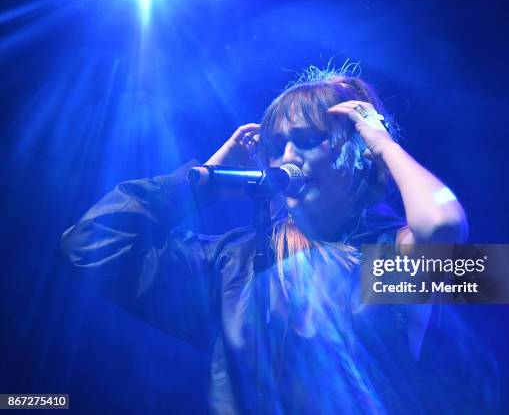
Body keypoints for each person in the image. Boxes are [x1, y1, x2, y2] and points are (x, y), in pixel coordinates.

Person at [61, 66, 468, 414]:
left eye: (307, 139)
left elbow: (441, 225)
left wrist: (382, 143)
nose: (287, 155)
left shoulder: (388, 256)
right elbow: (90, 245)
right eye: (276, 146)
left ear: (356, 154)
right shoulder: (231, 261)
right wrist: (203, 184)